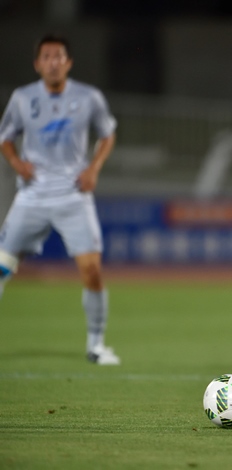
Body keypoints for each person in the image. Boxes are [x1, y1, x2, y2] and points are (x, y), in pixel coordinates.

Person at [0, 34, 120, 365]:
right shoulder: (23, 98)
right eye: (47, 57)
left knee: (92, 271)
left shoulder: (88, 97)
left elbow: (108, 134)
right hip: (32, 196)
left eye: (59, 56)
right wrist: (17, 163)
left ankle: (96, 345)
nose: (53, 62)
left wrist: (94, 168)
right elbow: (5, 137)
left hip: (73, 196)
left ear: (68, 63)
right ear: (37, 64)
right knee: (1, 267)